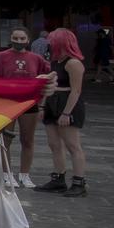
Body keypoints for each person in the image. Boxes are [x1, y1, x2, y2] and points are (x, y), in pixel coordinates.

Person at [0, 27, 50, 188]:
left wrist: (42, 103)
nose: (19, 41)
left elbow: (47, 77)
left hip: (29, 104)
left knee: (28, 140)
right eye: (16, 38)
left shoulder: (36, 59)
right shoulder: (0, 57)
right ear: (11, 39)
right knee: (6, 140)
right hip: (7, 103)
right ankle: (7, 175)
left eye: (22, 39)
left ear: (28, 40)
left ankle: (25, 175)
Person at [35, 28, 87, 197]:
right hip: (52, 101)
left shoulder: (73, 63)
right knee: (54, 143)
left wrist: (66, 113)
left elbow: (76, 91)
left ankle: (79, 181)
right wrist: (42, 106)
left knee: (73, 145)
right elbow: (49, 86)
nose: (50, 44)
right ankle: (58, 178)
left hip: (67, 103)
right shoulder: (56, 61)